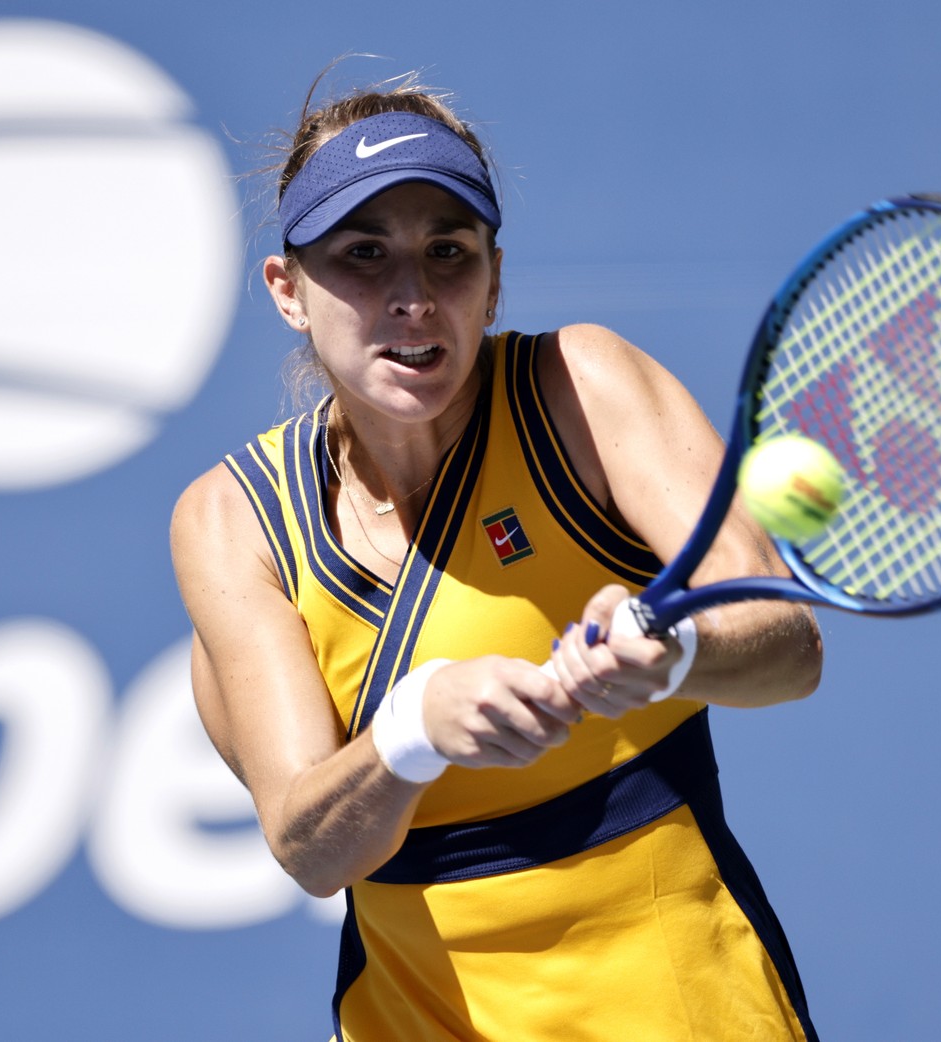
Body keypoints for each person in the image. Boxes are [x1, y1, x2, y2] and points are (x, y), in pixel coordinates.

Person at [170, 75, 824, 1042]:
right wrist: (413, 730)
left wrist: (673, 653)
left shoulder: (582, 387)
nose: (413, 298)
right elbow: (310, 846)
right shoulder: (235, 521)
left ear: (494, 276)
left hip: (689, 1004)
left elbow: (788, 647)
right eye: (362, 256)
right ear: (288, 292)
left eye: (448, 253)